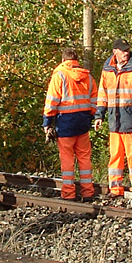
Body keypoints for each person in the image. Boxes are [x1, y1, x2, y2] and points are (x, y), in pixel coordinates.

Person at [94, 38, 132, 198]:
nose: (126, 53)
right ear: (115, 51)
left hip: (131, 121)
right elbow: (102, 94)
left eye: (127, 50)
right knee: (115, 156)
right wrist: (99, 115)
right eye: (123, 50)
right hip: (114, 122)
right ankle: (115, 189)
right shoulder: (107, 70)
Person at [43, 47, 98, 201]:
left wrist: (47, 122)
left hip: (65, 123)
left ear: (63, 60)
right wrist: (90, 117)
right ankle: (88, 192)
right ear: (76, 60)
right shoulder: (88, 77)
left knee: (67, 160)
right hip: (83, 123)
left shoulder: (59, 75)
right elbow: (95, 100)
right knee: (84, 158)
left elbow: (52, 102)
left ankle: (68, 194)